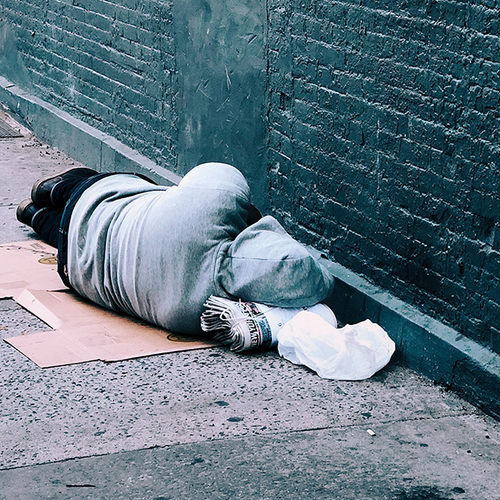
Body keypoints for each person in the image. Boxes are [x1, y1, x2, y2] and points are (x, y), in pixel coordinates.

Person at [16, 163, 334, 336]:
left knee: (84, 189)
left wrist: (254, 219)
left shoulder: (212, 204)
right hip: (77, 268)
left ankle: (48, 191)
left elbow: (219, 173)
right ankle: (34, 215)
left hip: (100, 199)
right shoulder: (199, 314)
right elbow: (312, 278)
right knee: (66, 233)